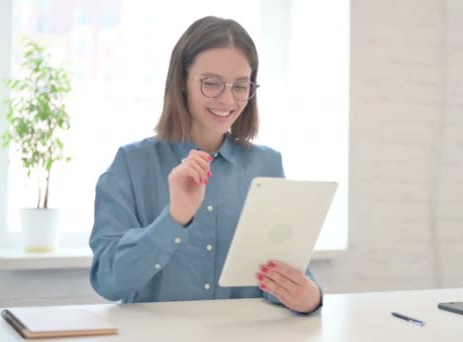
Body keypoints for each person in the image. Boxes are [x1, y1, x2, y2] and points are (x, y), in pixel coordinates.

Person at [89, 16, 322, 314]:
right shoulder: (131, 164)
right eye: (211, 83)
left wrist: (310, 297)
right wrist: (175, 219)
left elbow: (285, 267)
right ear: (182, 82)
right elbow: (108, 282)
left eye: (240, 86)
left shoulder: (267, 164)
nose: (227, 99)